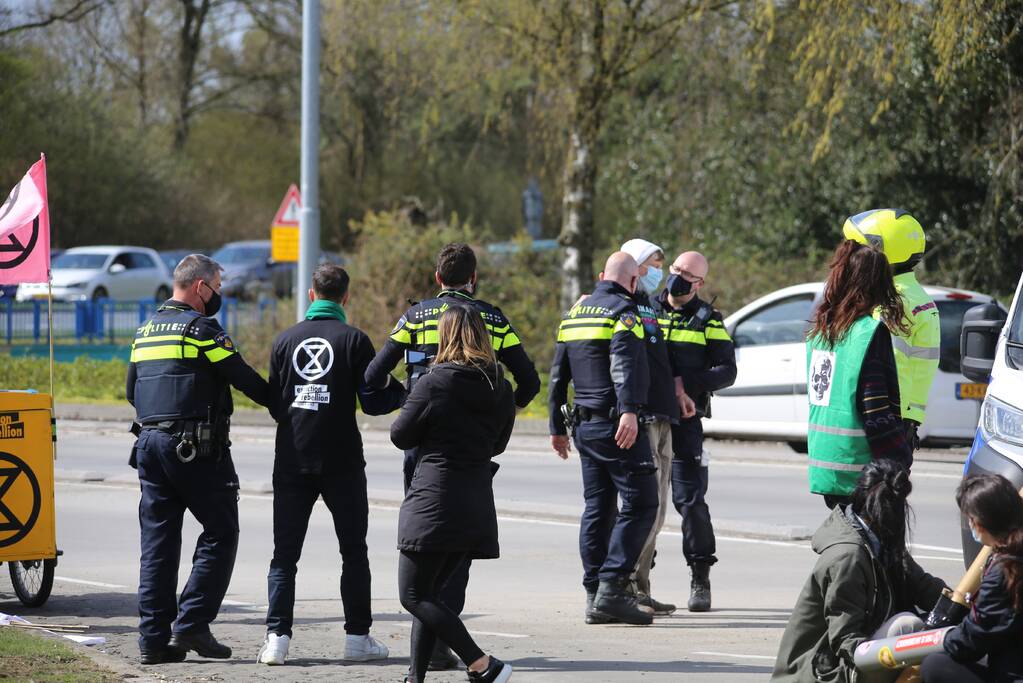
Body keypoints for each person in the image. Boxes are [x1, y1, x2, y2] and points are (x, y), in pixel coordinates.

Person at [364, 241, 539, 671]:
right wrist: (499, 411)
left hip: (424, 447)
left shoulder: (414, 315)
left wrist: (407, 397)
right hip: (473, 449)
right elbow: (531, 381)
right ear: (473, 278)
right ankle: (443, 640)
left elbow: (371, 376)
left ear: (438, 278)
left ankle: (437, 648)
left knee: (422, 548)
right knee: (456, 549)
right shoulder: (493, 318)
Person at [126, 254, 271, 664]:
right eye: (218, 288)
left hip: (149, 445)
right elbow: (244, 379)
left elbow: (130, 391)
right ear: (200, 287)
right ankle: (191, 623)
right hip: (194, 448)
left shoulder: (144, 331)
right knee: (221, 531)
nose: (219, 295)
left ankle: (153, 642)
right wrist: (286, 405)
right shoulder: (201, 328)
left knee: (157, 544)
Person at [257, 265, 405, 665]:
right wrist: (403, 394)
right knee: (353, 551)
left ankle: (276, 640)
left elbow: (275, 403)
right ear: (346, 298)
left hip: (292, 459)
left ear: (310, 295)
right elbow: (372, 400)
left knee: (284, 555)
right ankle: (357, 639)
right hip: (342, 461)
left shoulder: (284, 341)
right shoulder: (354, 340)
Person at [390, 305, 516, 683]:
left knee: (412, 595)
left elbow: (400, 435)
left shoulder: (433, 382)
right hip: (475, 499)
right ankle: (415, 677)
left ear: (446, 337)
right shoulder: (501, 385)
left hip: (434, 499)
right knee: (433, 595)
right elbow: (500, 443)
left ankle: (482, 663)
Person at [548, 251, 658, 626]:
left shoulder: (573, 315)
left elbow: (557, 377)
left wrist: (555, 427)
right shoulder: (623, 312)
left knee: (598, 508)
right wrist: (629, 408)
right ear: (631, 282)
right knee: (643, 503)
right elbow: (623, 360)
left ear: (600, 276)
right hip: (618, 425)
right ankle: (612, 588)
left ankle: (594, 594)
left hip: (585, 428)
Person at [772, 459, 948, 683]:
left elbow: (925, 587)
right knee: (908, 627)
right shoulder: (848, 557)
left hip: (849, 656)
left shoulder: (882, 544)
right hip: (821, 671)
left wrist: (966, 607)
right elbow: (846, 638)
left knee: (938, 634)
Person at [654, 250, 737, 612]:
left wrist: (685, 382)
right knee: (643, 503)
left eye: (688, 274)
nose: (678, 276)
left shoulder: (707, 319)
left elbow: (727, 371)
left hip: (687, 423)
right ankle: (636, 580)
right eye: (675, 269)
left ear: (700, 283)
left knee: (690, 502)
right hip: (649, 421)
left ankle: (700, 577)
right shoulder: (646, 309)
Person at [806, 240, 913, 508]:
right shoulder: (869, 332)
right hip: (861, 470)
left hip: (827, 463)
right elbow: (875, 410)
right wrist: (900, 457)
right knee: (870, 546)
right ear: (879, 285)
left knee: (843, 543)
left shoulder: (820, 331)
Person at [618, 239, 693, 619]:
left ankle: (642, 586)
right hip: (642, 417)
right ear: (635, 265)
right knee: (643, 508)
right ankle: (625, 586)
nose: (659, 270)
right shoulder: (624, 305)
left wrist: (678, 389)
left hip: (664, 414)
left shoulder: (649, 305)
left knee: (660, 511)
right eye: (653, 263)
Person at [843, 209, 940, 451]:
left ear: (881, 251)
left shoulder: (891, 304)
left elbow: (867, 368)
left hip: (881, 419)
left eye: (858, 247)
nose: (850, 254)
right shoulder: (917, 297)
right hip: (902, 421)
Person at [920, 474, 1023, 683]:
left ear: (979, 524)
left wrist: (941, 639)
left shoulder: (1005, 571)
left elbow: (970, 643)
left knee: (933, 665)